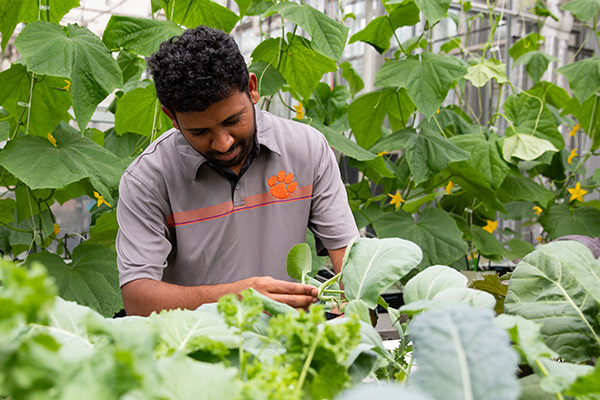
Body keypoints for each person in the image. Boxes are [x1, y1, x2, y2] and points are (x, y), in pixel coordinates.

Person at [115, 25, 359, 317]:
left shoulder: (306, 149)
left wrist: (358, 303)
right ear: (172, 117)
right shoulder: (147, 179)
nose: (223, 142)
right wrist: (235, 298)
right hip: (193, 350)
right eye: (200, 131)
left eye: (233, 120)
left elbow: (349, 258)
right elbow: (137, 299)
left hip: (287, 344)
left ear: (253, 89)